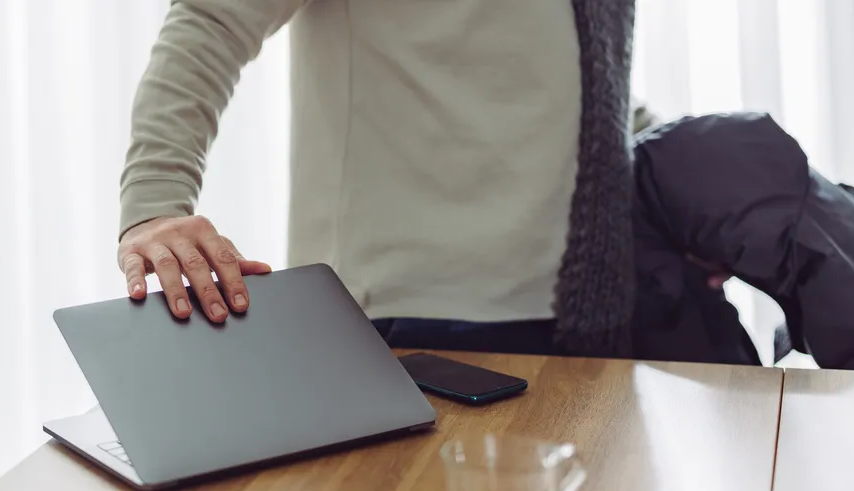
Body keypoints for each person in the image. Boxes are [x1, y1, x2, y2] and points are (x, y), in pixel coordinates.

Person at [116, 0, 636, 357]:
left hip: (582, 309)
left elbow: (590, 86)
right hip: (403, 319)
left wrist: (688, 205)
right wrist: (156, 202)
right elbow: (214, 21)